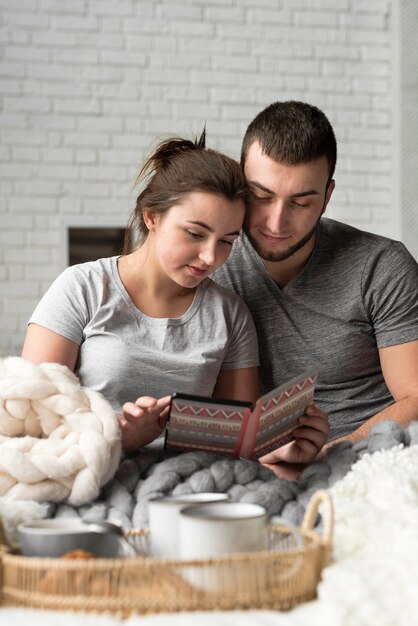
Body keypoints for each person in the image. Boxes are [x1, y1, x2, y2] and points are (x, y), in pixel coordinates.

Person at [21, 128, 329, 464]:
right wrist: (121, 440)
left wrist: (280, 444)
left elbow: (239, 443)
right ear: (151, 217)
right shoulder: (83, 288)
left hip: (193, 478)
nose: (211, 257)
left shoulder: (230, 314)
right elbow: (30, 418)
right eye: (195, 234)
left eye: (227, 241)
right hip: (86, 469)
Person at [214, 100, 418, 461]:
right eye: (261, 197)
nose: (276, 223)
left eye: (301, 203)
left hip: (368, 455)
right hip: (259, 459)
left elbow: (415, 397)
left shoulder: (381, 267)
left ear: (327, 196)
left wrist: (330, 454)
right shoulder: (211, 260)